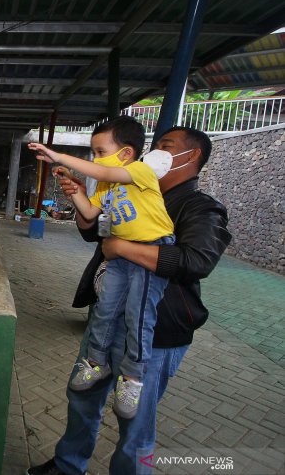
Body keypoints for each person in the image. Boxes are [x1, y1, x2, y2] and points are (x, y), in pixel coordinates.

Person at [26, 126, 232, 475]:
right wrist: (79, 196)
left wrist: (123, 248)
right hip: (107, 318)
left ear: (192, 156)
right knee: (82, 398)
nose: (156, 151)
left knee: (133, 423)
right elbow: (94, 230)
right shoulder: (125, 186)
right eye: (155, 145)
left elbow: (196, 261)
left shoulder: (201, 207)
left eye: (166, 146)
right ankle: (68, 464)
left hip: (157, 332)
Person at [29, 116, 175, 419]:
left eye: (99, 151)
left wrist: (58, 155)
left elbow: (102, 170)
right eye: (93, 152)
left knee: (138, 316)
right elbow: (89, 212)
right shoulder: (107, 185)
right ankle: (96, 362)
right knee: (104, 309)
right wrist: (73, 189)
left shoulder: (140, 172)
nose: (95, 158)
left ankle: (133, 378)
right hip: (119, 257)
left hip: (151, 253)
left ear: (126, 154)